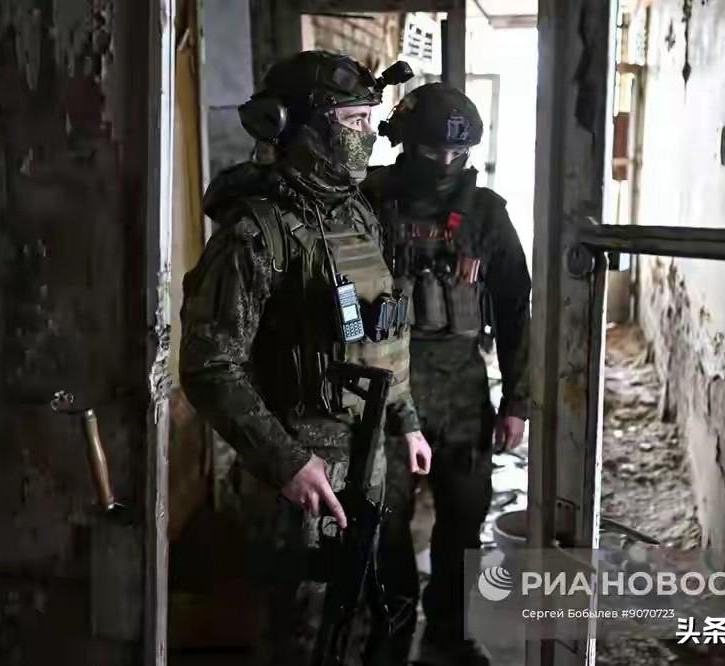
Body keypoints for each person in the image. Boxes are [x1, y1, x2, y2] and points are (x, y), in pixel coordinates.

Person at [178, 50, 432, 665]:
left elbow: (379, 331)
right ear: (299, 128)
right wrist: (288, 462)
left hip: (367, 460)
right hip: (298, 482)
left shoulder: (357, 213)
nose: (369, 134)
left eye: (370, 119)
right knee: (299, 635)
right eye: (354, 121)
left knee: (360, 622)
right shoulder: (254, 234)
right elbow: (209, 366)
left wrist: (406, 419)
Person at [361, 82, 532, 665]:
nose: (447, 163)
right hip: (383, 391)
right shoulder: (368, 201)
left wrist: (517, 402)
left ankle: (448, 632)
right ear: (407, 144)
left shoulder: (486, 215)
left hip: (461, 390)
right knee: (384, 520)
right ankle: (390, 630)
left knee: (464, 516)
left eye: (459, 153)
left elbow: (514, 308)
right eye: (434, 151)